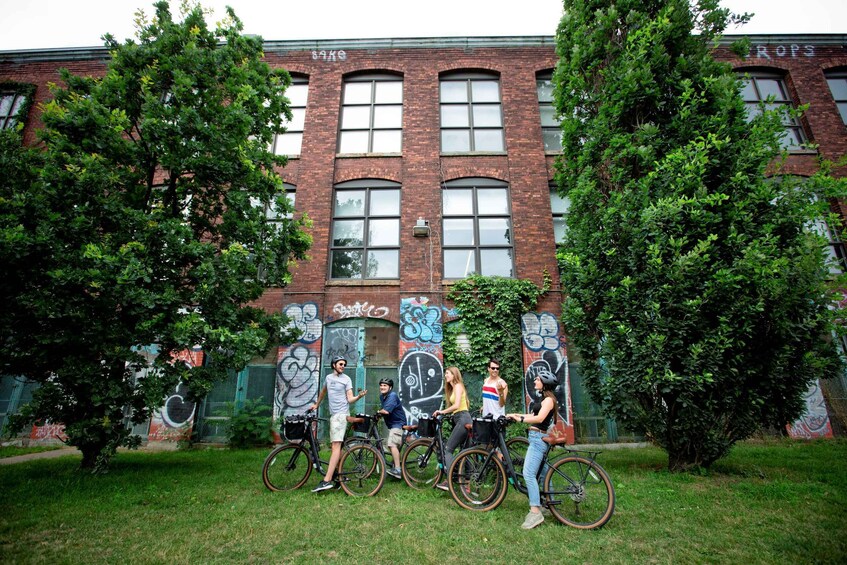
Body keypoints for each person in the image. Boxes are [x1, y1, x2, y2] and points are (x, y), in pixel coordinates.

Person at [507, 371, 559, 530]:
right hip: (536, 438)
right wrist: (515, 415)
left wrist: (521, 419)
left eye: (538, 379)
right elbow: (533, 414)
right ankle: (549, 505)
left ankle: (535, 511)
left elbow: (539, 419)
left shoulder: (549, 400)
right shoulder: (545, 400)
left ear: (545, 383)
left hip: (537, 441)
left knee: (528, 474)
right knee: (544, 473)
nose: (535, 380)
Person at [308, 355, 366, 492]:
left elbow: (350, 399)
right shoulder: (328, 378)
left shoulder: (347, 379)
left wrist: (359, 396)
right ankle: (338, 477)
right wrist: (316, 405)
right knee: (337, 447)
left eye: (344, 364)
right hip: (334, 416)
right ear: (334, 365)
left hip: (341, 416)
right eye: (340, 364)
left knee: (335, 446)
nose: (343, 366)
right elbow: (323, 392)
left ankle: (326, 480)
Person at [432, 366, 471, 491]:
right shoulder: (454, 388)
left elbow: (457, 405)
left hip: (462, 418)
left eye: (447, 373)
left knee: (448, 450)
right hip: (461, 418)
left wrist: (442, 412)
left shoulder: (458, 386)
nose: (446, 376)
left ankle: (450, 480)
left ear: (454, 375)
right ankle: (466, 484)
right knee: (465, 452)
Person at [377, 377, 406, 479]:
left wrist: (378, 412)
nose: (382, 387)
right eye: (381, 385)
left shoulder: (392, 395)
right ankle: (397, 465)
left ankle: (398, 470)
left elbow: (386, 411)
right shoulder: (382, 397)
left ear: (390, 388)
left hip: (397, 424)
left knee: (392, 444)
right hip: (392, 424)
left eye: (385, 385)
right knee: (394, 446)